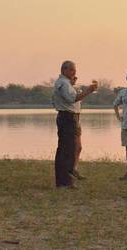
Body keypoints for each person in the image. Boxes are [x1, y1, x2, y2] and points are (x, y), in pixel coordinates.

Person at [52, 60, 97, 188]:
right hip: (67, 117)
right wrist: (88, 91)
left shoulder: (65, 83)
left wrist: (72, 85)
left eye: (75, 70)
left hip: (68, 117)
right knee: (67, 150)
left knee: (68, 149)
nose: (74, 72)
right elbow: (72, 98)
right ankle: (65, 181)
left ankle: (64, 180)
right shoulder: (63, 83)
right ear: (64, 70)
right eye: (71, 70)